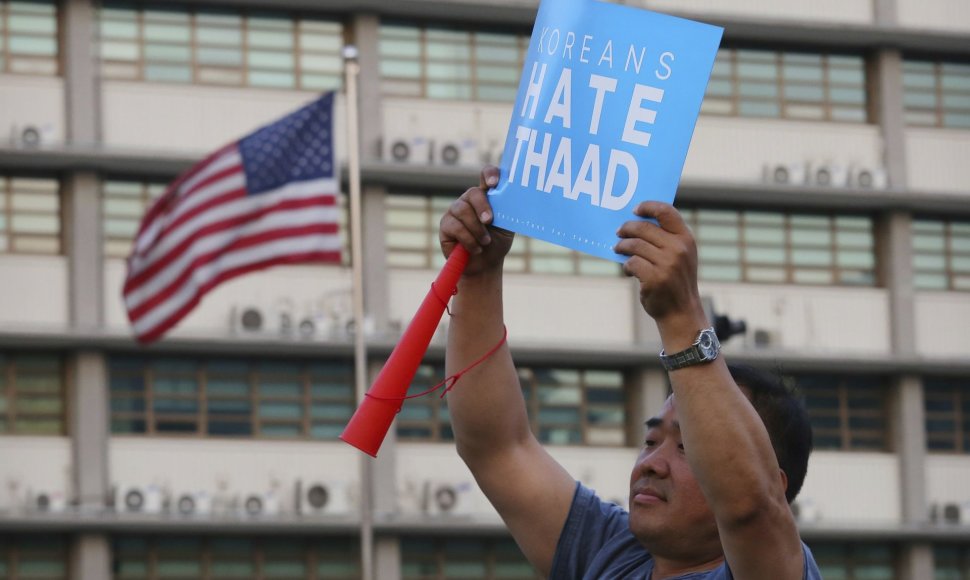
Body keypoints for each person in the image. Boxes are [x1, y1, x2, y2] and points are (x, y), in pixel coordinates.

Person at [437, 165, 822, 579]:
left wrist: (682, 317)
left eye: (686, 448)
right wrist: (477, 275)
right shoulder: (610, 553)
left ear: (775, 484)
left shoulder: (775, 569)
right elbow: (496, 448)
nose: (651, 463)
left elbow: (750, 508)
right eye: (651, 439)